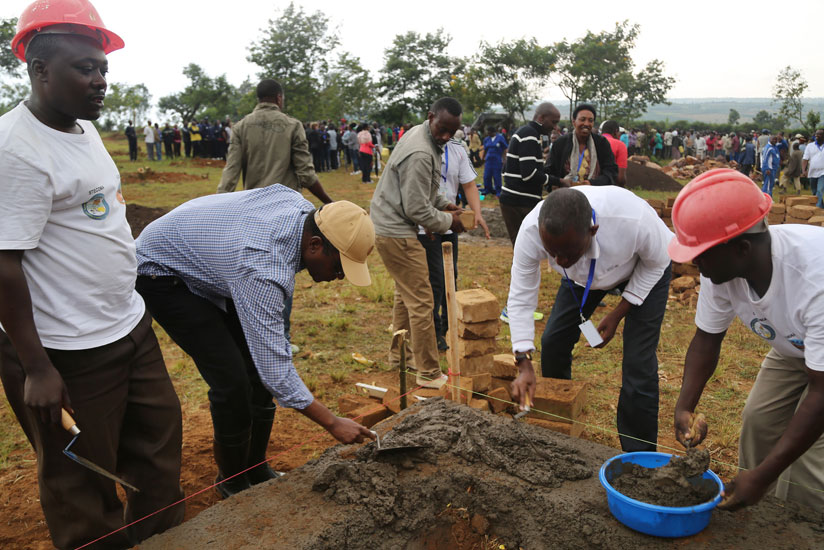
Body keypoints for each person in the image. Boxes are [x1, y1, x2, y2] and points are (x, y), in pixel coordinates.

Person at [0, 3, 184, 547]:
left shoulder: (81, 128)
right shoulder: (14, 150)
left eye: (103, 68)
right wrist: (37, 367)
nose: (101, 80)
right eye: (86, 68)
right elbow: (3, 263)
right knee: (82, 480)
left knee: (157, 451)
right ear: (40, 70)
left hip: (126, 326)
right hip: (65, 349)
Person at [135, 188, 376, 499]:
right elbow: (276, 371)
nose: (340, 277)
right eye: (339, 267)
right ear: (315, 245)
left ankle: (256, 466)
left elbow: (268, 360)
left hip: (217, 260)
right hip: (163, 272)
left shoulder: (301, 212)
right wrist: (332, 423)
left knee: (255, 369)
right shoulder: (262, 268)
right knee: (231, 381)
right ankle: (233, 481)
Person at [668, 168, 824, 511]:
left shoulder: (814, 281)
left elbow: (821, 393)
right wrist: (684, 407)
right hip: (796, 345)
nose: (695, 262)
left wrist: (765, 475)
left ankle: (803, 526)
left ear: (742, 248)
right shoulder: (721, 270)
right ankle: (755, 510)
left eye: (701, 253)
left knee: (810, 462)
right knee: (758, 420)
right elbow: (707, 339)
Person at [508, 186, 672, 452]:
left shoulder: (633, 221)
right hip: (581, 280)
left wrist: (619, 311)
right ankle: (559, 424)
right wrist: (523, 362)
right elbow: (521, 296)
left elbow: (659, 261)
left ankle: (638, 457)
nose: (560, 260)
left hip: (642, 269)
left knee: (638, 363)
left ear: (592, 231)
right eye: (553, 253)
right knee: (554, 341)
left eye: (568, 252)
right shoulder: (532, 232)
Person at [217, 80, 334, 353]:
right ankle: (280, 340)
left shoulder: (241, 127)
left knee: (251, 274)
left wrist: (220, 205)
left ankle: (251, 338)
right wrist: (329, 203)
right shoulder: (292, 126)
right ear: (279, 98)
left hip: (251, 212)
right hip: (286, 214)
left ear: (258, 99)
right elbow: (306, 174)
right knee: (282, 273)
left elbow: (231, 172)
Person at [370, 97, 467, 389]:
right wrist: (449, 222)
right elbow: (416, 208)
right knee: (423, 300)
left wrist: (445, 204)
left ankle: (400, 357)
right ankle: (427, 372)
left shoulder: (423, 135)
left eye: (452, 131)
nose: (446, 136)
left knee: (406, 294)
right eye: (442, 129)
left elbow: (425, 190)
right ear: (431, 116)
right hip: (396, 231)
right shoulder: (422, 152)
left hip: (391, 225)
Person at [420, 136, 490, 350]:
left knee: (451, 275)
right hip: (424, 224)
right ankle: (433, 333)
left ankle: (450, 327)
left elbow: (469, 184)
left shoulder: (457, 148)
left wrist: (477, 213)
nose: (447, 134)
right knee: (435, 279)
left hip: (451, 221)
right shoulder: (421, 146)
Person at [500, 102, 561, 245]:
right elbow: (529, 174)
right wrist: (558, 181)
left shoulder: (527, 132)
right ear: (541, 118)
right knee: (527, 248)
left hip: (516, 199)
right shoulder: (530, 135)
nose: (555, 127)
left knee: (525, 247)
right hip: (519, 201)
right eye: (553, 122)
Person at [546, 104, 618, 189]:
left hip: (594, 192)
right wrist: (558, 183)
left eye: (590, 120)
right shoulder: (561, 143)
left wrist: (592, 183)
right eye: (582, 119)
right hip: (565, 193)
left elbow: (611, 172)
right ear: (574, 122)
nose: (586, 124)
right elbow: (549, 170)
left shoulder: (601, 143)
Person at [481, 125, 508, 197]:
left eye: (489, 132)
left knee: (497, 176)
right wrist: (482, 158)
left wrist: (504, 159)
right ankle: (488, 189)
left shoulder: (500, 138)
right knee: (487, 176)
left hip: (497, 160)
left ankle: (498, 191)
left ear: (493, 132)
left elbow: (504, 149)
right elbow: (485, 149)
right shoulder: (486, 139)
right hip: (488, 160)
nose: (488, 134)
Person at [599, 120, 628, 187]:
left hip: (588, 185)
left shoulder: (592, 141)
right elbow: (620, 179)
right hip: (609, 186)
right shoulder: (620, 145)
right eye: (619, 133)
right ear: (615, 131)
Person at [802, 128, 824, 208]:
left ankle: (817, 209)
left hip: (823, 173)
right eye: (816, 134)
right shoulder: (810, 146)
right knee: (814, 192)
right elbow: (805, 159)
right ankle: (821, 206)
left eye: (819, 134)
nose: (817, 135)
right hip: (812, 172)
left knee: (819, 190)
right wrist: (804, 170)